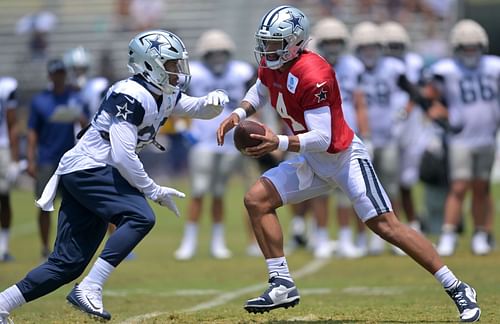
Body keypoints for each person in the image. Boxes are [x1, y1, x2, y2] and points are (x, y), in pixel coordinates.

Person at [217, 6, 480, 322]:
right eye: (266, 42)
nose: (267, 49)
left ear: (295, 42)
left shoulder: (314, 74)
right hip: (312, 160)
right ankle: (281, 282)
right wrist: (240, 113)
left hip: (343, 157)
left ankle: (458, 287)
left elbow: (324, 138)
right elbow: (260, 89)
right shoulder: (273, 63)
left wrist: (279, 143)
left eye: (275, 43)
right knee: (256, 200)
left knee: (386, 226)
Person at [0, 29, 227, 322]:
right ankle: (91, 288)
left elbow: (196, 108)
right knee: (140, 217)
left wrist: (215, 102)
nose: (177, 71)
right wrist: (153, 190)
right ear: (150, 64)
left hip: (85, 170)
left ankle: (3, 303)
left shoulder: (163, 94)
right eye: (171, 64)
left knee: (66, 264)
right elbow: (122, 155)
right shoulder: (130, 94)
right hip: (90, 166)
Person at [175, 29, 255, 260]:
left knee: (219, 193)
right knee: (199, 191)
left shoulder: (241, 72)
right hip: (202, 141)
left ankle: (217, 242)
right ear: (205, 54)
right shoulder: (195, 74)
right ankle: (189, 241)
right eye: (213, 53)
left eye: (222, 53)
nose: (218, 57)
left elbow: (254, 100)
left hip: (231, 143)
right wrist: (183, 128)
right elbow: (174, 101)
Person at [431, 20, 500, 256]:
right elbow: (428, 94)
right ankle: (448, 234)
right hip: (460, 137)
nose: (470, 51)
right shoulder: (447, 70)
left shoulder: (493, 67)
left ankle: (480, 234)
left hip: (487, 137)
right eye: (466, 47)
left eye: (474, 47)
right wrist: (438, 111)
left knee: (482, 188)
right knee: (459, 186)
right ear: (457, 48)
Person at [312, 17, 367, 258]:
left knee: (347, 192)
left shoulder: (353, 66)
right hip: (320, 135)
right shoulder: (311, 65)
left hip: (346, 134)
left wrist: (367, 135)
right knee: (319, 191)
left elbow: (359, 103)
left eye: (337, 42)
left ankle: (345, 238)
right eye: (329, 41)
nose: (333, 46)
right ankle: (321, 238)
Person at [27, 59, 89, 259]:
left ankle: (69, 244)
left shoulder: (76, 97)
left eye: (62, 73)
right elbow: (32, 132)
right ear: (50, 76)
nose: (60, 76)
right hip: (46, 159)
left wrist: (80, 118)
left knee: (74, 205)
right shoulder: (40, 101)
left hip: (70, 159)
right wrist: (30, 159)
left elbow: (88, 125)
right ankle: (45, 247)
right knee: (44, 205)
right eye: (56, 73)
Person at [0, 77, 19, 262]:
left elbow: (12, 123)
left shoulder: (6, 87)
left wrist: (14, 159)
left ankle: (3, 247)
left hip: (2, 147)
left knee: (4, 197)